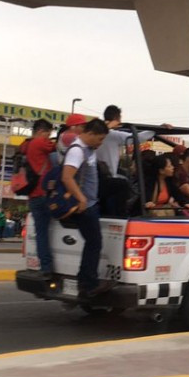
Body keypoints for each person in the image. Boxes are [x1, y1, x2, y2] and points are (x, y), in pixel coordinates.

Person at [59, 118, 113, 298]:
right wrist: (81, 198)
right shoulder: (77, 151)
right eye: (100, 139)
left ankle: (85, 281)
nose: (101, 143)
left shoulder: (88, 149)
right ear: (90, 134)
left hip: (90, 204)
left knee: (93, 243)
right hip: (84, 205)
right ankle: (88, 284)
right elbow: (67, 177)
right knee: (94, 243)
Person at [98, 105, 169, 217]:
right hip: (107, 176)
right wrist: (156, 129)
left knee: (123, 177)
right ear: (117, 119)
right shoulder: (112, 134)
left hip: (99, 174)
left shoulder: (97, 132)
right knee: (124, 184)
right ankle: (122, 216)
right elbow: (136, 138)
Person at [22, 119, 57, 275]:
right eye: (48, 134)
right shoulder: (40, 142)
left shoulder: (27, 144)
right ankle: (52, 265)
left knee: (41, 233)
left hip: (33, 197)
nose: (49, 137)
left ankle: (46, 267)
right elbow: (59, 146)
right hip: (44, 194)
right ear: (41, 132)